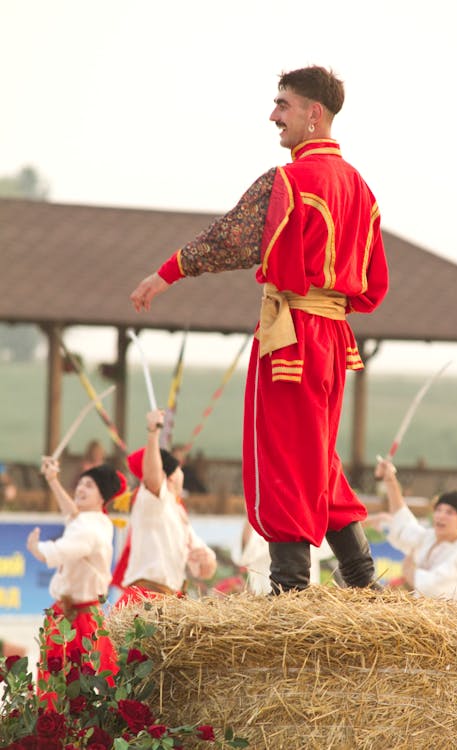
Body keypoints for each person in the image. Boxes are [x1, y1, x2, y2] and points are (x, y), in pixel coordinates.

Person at [130, 66, 389, 594]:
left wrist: (165, 273)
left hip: (291, 334)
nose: (273, 115)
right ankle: (362, 578)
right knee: (315, 455)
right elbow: (373, 284)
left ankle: (291, 590)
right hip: (333, 336)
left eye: (283, 105)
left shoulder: (290, 181)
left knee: (282, 459)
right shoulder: (361, 188)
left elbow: (227, 238)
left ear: (314, 114)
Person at [26, 457, 126, 700]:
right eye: (80, 483)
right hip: (79, 616)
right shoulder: (98, 521)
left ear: (102, 496)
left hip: (76, 621)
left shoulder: (89, 529)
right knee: (92, 682)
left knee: (64, 684)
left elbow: (65, 548)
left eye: (89, 485)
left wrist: (38, 549)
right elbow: (73, 515)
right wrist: (53, 480)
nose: (80, 489)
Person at [114, 408, 217, 606]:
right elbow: (152, 477)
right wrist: (153, 432)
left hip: (168, 601)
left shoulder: (178, 512)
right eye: (179, 469)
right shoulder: (152, 500)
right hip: (144, 599)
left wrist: (207, 562)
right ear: (169, 476)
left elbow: (205, 569)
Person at [373, 457, 457, 601]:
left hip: (447, 618)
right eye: (439, 510)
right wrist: (390, 480)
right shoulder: (428, 537)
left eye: (450, 512)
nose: (441, 516)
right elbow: (403, 522)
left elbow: (435, 589)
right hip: (423, 614)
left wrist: (410, 572)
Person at [231, 520, 336, 595]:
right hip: (270, 605)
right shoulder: (261, 525)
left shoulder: (306, 521)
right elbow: (244, 553)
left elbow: (328, 546)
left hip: (308, 603)